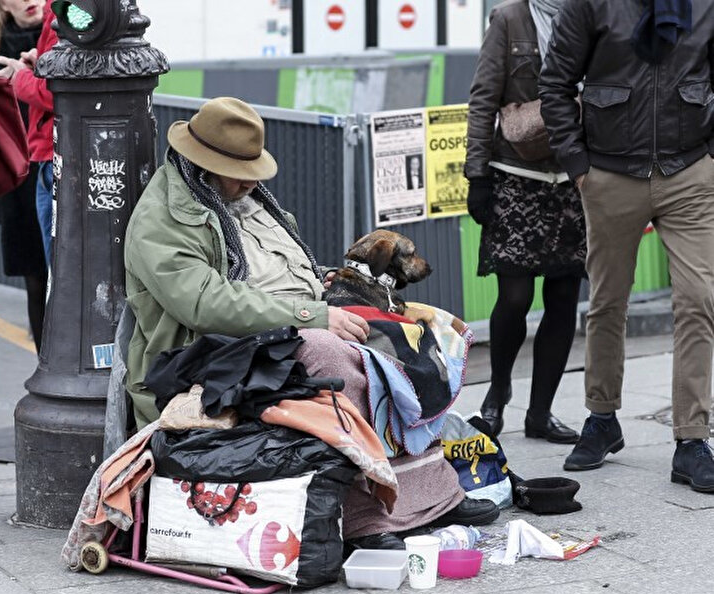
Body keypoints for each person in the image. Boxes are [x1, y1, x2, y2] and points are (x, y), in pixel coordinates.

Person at [124, 97, 500, 552]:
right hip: (212, 349)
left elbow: (280, 266)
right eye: (240, 171)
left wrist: (326, 286)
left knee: (417, 338)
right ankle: (365, 518)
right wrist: (311, 315)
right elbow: (204, 304)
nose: (250, 182)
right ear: (203, 163)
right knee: (337, 359)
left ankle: (435, 494)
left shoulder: (237, 193)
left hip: (288, 320)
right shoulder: (161, 220)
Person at [539, 0, 714, 489]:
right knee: (608, 302)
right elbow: (554, 84)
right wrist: (579, 167)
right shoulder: (589, 4)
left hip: (691, 170)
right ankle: (601, 418)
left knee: (699, 300)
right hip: (610, 173)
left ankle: (692, 438)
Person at [464, 0, 585, 443]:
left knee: (564, 296)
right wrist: (477, 174)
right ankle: (496, 395)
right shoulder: (510, 17)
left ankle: (541, 412)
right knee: (514, 296)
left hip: (574, 177)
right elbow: (483, 98)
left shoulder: (590, 13)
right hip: (516, 175)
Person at [0, 0, 47, 352]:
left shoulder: (63, 35)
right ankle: (44, 367)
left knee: (67, 278)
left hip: (56, 166)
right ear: (2, 4)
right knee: (35, 280)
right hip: (18, 179)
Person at [0, 0, 56, 268]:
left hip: (47, 155)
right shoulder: (69, 11)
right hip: (28, 161)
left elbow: (57, 90)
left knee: (58, 275)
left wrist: (21, 77)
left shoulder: (64, 12)